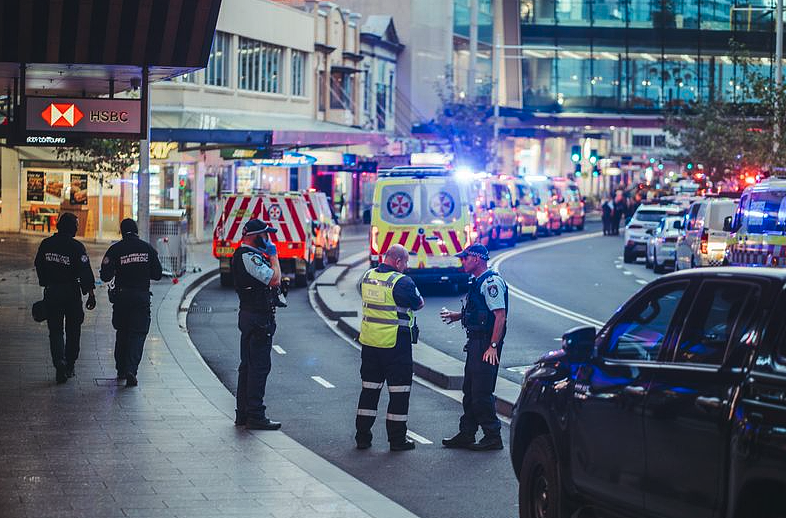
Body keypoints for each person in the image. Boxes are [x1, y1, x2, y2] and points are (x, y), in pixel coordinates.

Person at [355, 244, 424, 452]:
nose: (406, 267)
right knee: (399, 393)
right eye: (405, 263)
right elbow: (418, 303)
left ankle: (362, 438)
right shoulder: (401, 282)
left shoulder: (367, 276)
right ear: (398, 262)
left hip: (369, 344)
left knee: (369, 391)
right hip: (395, 346)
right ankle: (397, 440)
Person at [440, 243, 508, 451]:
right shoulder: (478, 281)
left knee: (481, 391)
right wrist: (457, 316)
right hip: (476, 343)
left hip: (485, 345)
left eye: (465, 258)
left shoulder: (491, 282)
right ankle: (467, 433)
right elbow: (482, 311)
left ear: (476, 259)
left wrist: (493, 346)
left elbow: (500, 316)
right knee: (469, 390)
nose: (463, 261)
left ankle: (492, 435)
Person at [231, 219, 283, 430]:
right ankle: (255, 414)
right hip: (257, 318)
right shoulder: (248, 257)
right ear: (256, 237)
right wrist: (273, 255)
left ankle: (243, 413)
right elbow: (274, 279)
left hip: (252, 316)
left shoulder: (247, 256)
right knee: (258, 367)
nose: (268, 239)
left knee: (248, 366)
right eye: (266, 235)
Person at [34, 212, 97, 383]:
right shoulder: (77, 247)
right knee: (73, 330)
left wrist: (45, 282)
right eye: (76, 225)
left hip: (52, 292)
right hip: (71, 293)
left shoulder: (46, 244)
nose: (77, 228)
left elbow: (38, 263)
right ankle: (69, 364)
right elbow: (85, 271)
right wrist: (90, 294)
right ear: (72, 227)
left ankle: (59, 362)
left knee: (55, 331)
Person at [99, 219, 163, 387]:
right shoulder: (147, 249)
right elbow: (157, 274)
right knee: (137, 334)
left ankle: (121, 369)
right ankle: (131, 370)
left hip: (121, 297)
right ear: (136, 231)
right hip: (141, 298)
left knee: (122, 332)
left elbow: (105, 276)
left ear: (121, 231)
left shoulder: (115, 249)